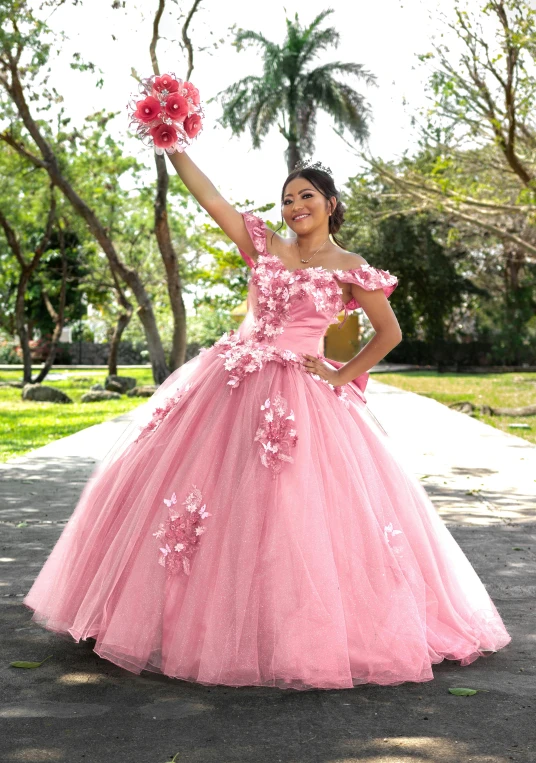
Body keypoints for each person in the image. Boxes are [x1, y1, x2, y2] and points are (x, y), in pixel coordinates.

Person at [23, 152, 511, 691]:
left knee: (292, 510)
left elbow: (388, 334)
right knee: (203, 495)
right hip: (229, 381)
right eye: (287, 198)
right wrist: (178, 144)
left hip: (300, 393)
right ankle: (168, 618)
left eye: (306, 195)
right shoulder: (265, 245)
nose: (295, 205)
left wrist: (338, 376)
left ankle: (287, 632)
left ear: (330, 203)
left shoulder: (351, 266)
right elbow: (210, 198)